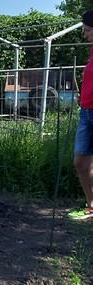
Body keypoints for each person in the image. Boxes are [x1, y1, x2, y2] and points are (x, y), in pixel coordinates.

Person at [69, 9, 93, 220]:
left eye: (87, 30)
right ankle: (91, 205)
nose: (85, 35)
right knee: (80, 162)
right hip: (86, 112)